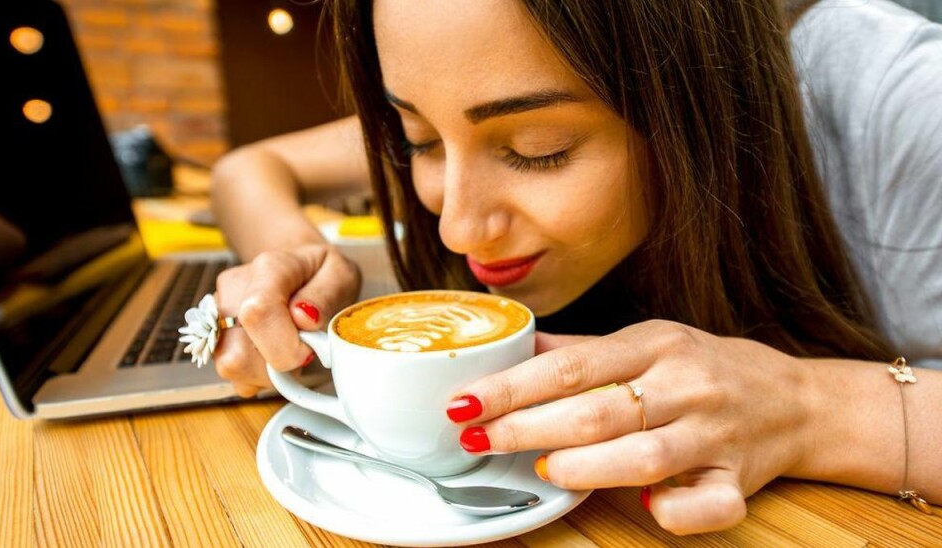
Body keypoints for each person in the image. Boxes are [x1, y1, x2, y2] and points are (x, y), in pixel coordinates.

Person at [208, 0, 942, 534]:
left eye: (539, 148)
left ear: (695, 95)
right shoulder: (468, 79)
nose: (456, 226)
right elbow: (249, 167)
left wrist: (813, 408)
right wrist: (300, 266)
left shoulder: (904, 103)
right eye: (416, 140)